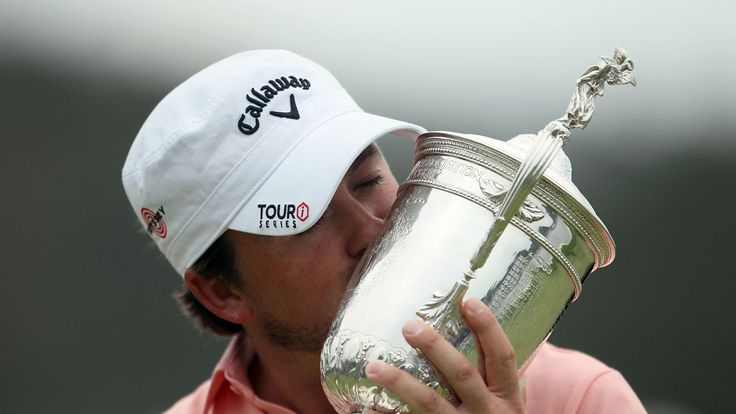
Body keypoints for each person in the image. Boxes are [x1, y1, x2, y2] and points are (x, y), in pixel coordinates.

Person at [122, 50, 646, 413]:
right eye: (305, 220)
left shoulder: (580, 399)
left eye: (369, 181)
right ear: (222, 291)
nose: (371, 228)